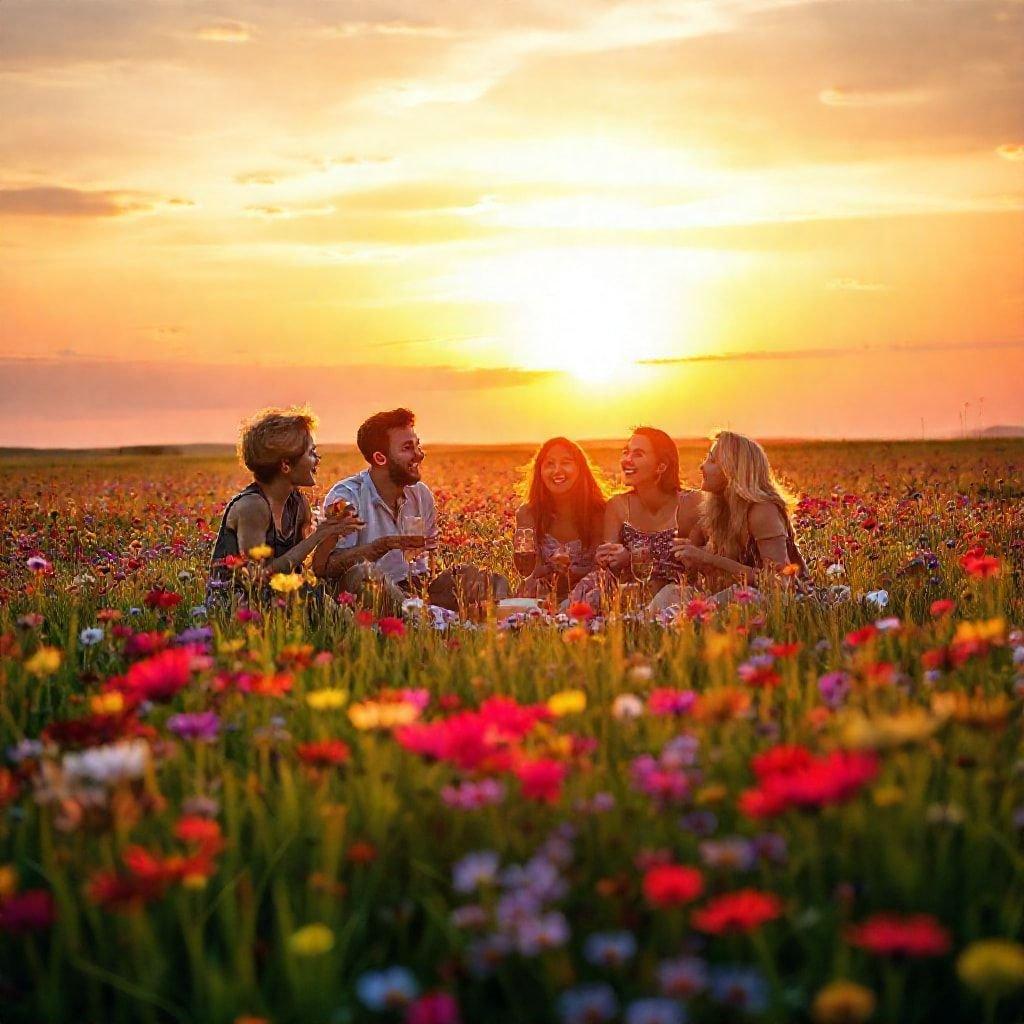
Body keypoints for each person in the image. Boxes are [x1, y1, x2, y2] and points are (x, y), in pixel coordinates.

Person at [313, 408, 508, 613]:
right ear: (380, 458)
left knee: (487, 580)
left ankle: (489, 622)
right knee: (364, 576)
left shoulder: (420, 495)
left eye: (418, 445)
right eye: (408, 448)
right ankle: (428, 620)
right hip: (369, 592)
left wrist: (429, 585)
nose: (420, 455)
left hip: (413, 589)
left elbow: (425, 565)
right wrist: (381, 546)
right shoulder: (348, 497)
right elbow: (327, 568)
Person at [207, 406, 362, 607]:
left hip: (283, 597)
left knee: (354, 584)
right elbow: (256, 578)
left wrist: (332, 532)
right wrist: (319, 535)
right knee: (320, 603)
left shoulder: (298, 504)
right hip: (239, 608)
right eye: (311, 453)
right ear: (286, 465)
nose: (318, 460)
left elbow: (299, 567)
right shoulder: (252, 506)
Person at [667, 430, 808, 602]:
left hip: (786, 602)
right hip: (741, 598)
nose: (702, 466)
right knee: (671, 593)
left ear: (732, 470)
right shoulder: (718, 508)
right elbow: (724, 575)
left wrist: (708, 558)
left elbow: (781, 581)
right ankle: (640, 623)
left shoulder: (762, 511)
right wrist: (696, 560)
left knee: (727, 598)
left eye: (712, 460)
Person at [571, 427, 702, 610]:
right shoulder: (618, 505)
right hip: (632, 594)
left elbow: (697, 569)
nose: (627, 460)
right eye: (626, 452)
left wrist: (633, 559)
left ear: (661, 466)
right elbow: (611, 572)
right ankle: (555, 623)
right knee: (593, 586)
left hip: (674, 601)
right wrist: (608, 559)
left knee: (670, 593)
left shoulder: (691, 503)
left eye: (638, 454)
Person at [513, 437, 609, 602]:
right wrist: (551, 568)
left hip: (589, 600)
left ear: (580, 469)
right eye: (549, 464)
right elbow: (528, 574)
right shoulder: (527, 514)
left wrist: (569, 574)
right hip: (542, 600)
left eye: (566, 462)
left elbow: (604, 571)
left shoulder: (600, 512)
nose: (557, 470)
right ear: (540, 472)